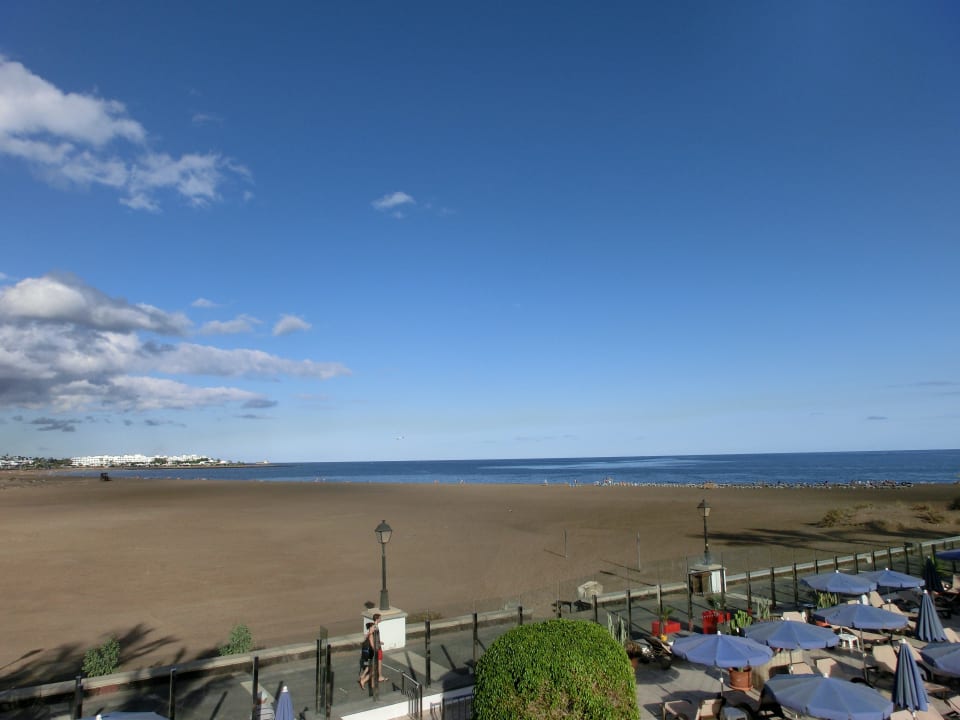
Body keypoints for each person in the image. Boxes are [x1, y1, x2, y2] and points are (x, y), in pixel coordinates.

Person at [358, 622, 375, 688]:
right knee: (373, 671)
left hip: (364, 654)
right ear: (370, 628)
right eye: (374, 627)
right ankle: (363, 680)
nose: (374, 628)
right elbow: (372, 645)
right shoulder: (371, 635)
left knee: (369, 666)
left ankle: (362, 676)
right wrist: (376, 650)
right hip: (369, 654)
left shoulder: (367, 634)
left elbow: (363, 643)